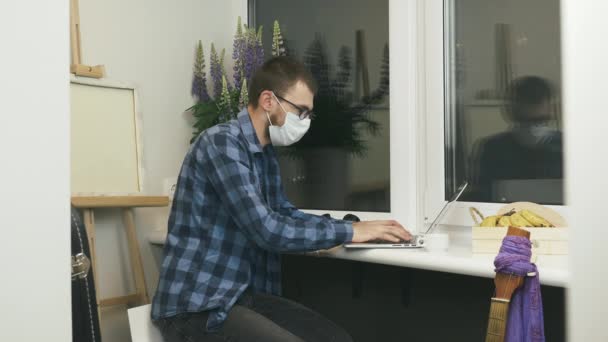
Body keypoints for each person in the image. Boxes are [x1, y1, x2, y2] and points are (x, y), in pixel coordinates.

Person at [151, 56, 411, 342]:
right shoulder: (221, 143)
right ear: (268, 100)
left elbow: (283, 214)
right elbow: (267, 230)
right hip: (198, 306)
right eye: (301, 111)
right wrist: (349, 231)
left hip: (240, 296)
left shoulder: (264, 154)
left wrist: (350, 229)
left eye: (309, 115)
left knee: (336, 338)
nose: (305, 122)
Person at [469, 76, 563, 203]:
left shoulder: (565, 148)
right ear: (510, 112)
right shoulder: (493, 150)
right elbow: (481, 199)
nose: (532, 129)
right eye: (525, 121)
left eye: (540, 121)